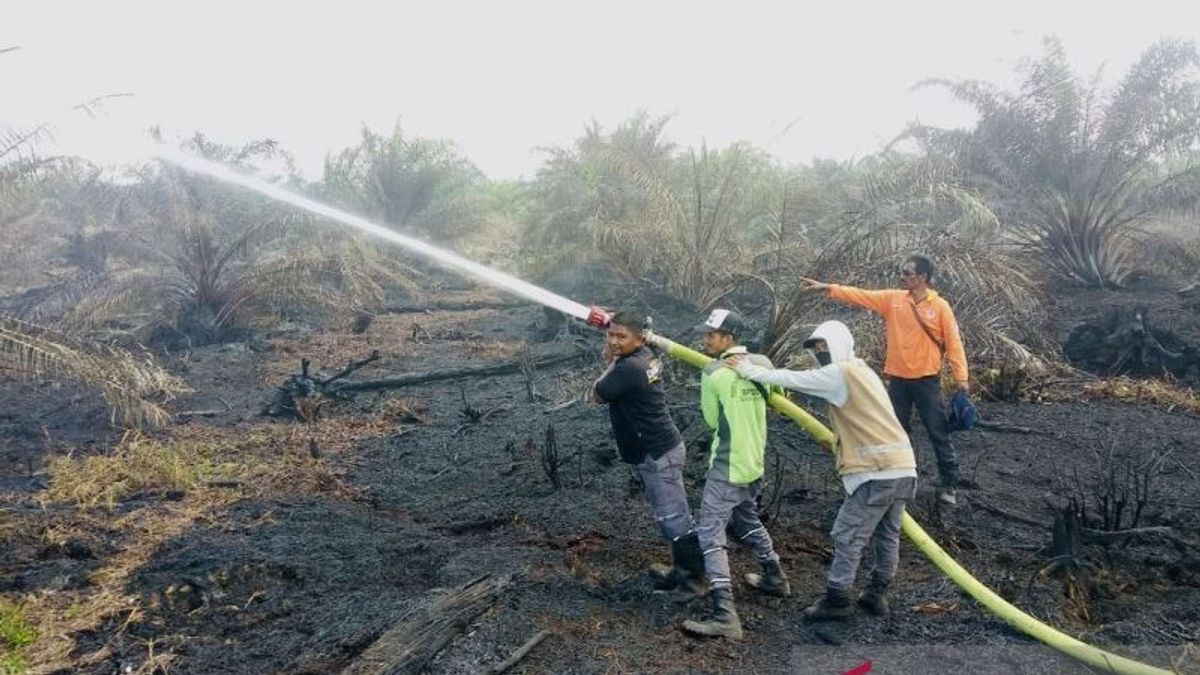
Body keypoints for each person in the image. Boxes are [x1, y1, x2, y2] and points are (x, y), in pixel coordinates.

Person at [728, 320, 917, 621]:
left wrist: (748, 369)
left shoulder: (840, 373)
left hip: (876, 471)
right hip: (903, 466)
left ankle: (837, 600)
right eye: (816, 348)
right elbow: (866, 420)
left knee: (847, 535)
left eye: (824, 346)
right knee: (888, 534)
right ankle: (877, 594)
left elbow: (793, 379)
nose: (820, 353)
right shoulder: (864, 372)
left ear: (839, 344)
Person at [802, 255, 968, 505]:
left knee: (938, 431)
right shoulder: (894, 299)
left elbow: (954, 344)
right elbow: (862, 295)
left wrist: (961, 378)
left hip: (926, 380)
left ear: (922, 278)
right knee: (897, 432)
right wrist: (830, 289)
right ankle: (903, 480)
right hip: (898, 381)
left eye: (906, 273)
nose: (901, 276)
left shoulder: (940, 307)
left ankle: (950, 484)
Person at [680, 309, 790, 640]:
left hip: (727, 464)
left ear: (728, 338)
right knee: (746, 520)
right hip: (754, 461)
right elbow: (779, 398)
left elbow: (712, 420)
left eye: (711, 335)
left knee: (710, 534)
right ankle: (775, 576)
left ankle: (725, 615)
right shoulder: (763, 364)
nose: (705, 340)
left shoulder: (713, 372)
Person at [592, 311, 705, 593]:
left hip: (656, 453)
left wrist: (611, 354)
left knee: (674, 517)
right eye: (611, 335)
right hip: (662, 446)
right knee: (673, 512)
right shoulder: (648, 354)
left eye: (621, 336)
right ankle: (681, 570)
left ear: (639, 337)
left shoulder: (628, 368)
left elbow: (597, 393)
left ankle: (693, 581)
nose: (615, 341)